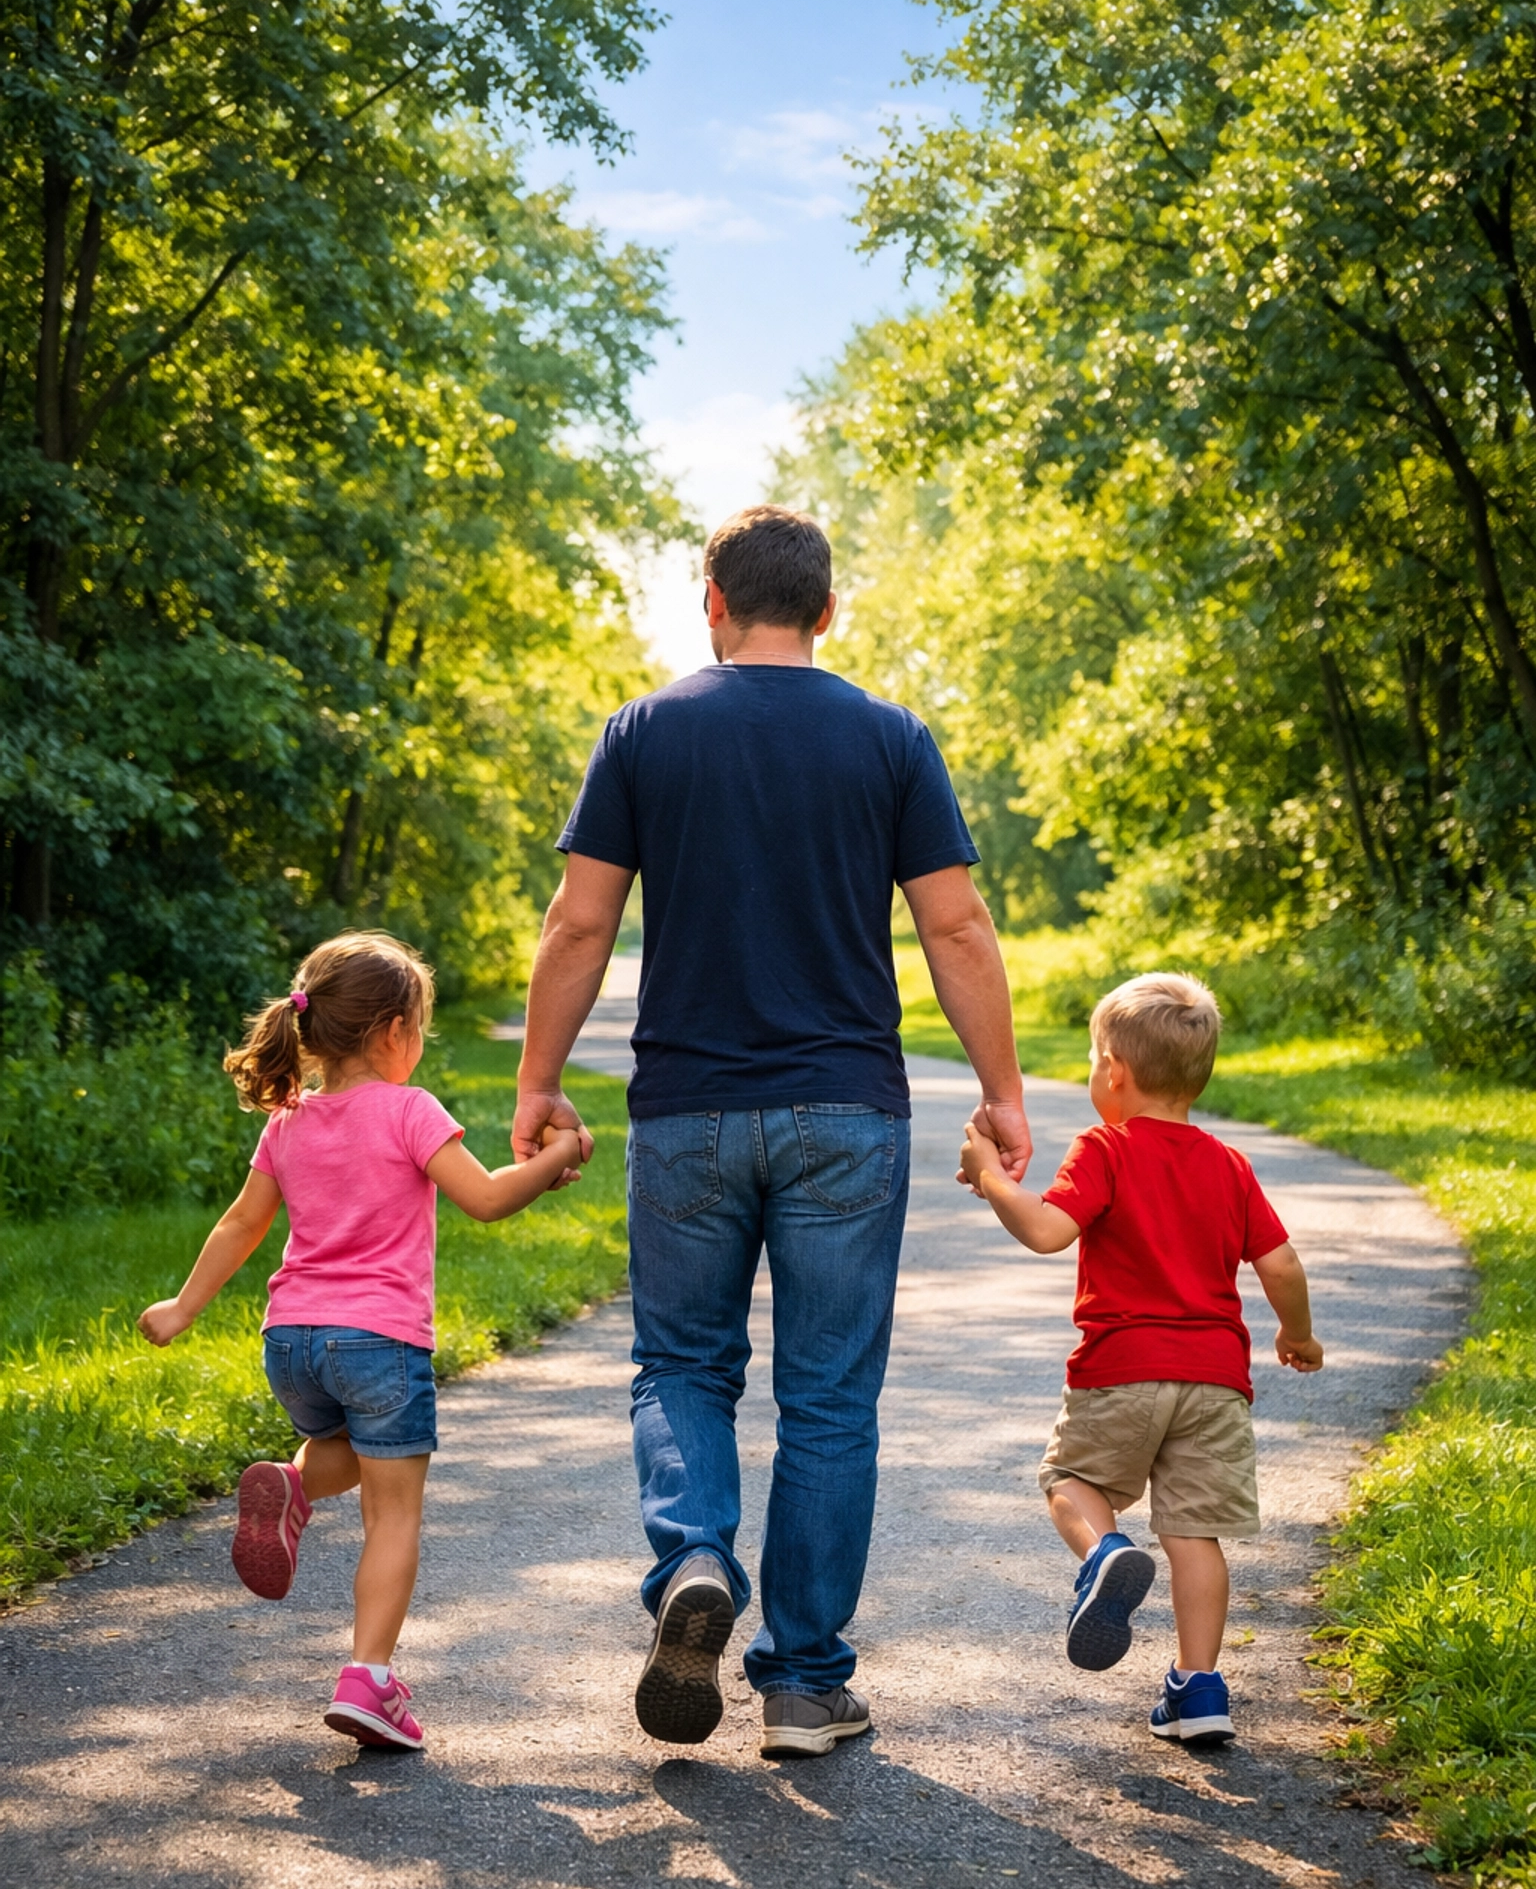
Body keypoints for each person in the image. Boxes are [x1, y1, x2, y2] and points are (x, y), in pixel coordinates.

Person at [513, 505, 1030, 1758]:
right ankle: (802, 1685)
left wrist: (536, 1083)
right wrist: (1003, 1088)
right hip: (848, 1111)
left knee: (684, 1367)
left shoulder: (644, 731)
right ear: (827, 611)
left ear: (713, 602)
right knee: (830, 1398)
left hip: (687, 1110)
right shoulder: (890, 738)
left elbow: (580, 927)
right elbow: (955, 930)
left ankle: (694, 1557)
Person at [138, 930, 580, 1750]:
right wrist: (557, 1156)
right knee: (394, 1511)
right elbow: (483, 1199)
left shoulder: (288, 1121)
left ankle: (292, 1485)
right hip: (379, 1340)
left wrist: (183, 1307)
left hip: (292, 1343)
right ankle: (368, 1679)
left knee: (341, 1451)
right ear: (392, 1031)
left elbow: (243, 1223)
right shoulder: (409, 1110)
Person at [958, 971, 1323, 1746]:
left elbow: (1051, 1231)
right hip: (1216, 1384)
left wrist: (991, 1177)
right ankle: (1199, 1692)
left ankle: (1105, 1553)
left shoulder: (1106, 1149)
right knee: (1195, 1533)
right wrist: (1298, 1337)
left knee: (1071, 1482)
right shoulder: (1229, 1164)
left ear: (1114, 1073)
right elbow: (1282, 1264)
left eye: (1094, 1059)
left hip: (1121, 1368)